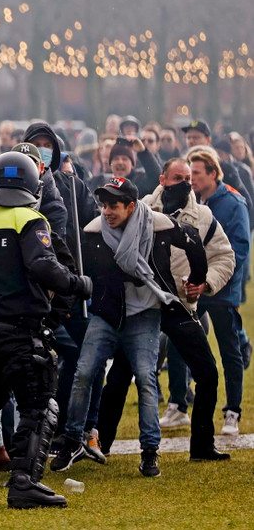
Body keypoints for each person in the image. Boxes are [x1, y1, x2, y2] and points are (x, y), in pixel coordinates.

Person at [0, 152, 92, 508]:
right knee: (39, 407)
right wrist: (78, 284)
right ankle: (24, 482)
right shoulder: (30, 219)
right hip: (21, 330)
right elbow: (43, 266)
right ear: (32, 187)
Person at [51, 177, 206, 478]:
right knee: (83, 373)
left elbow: (194, 240)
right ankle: (72, 442)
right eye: (104, 205)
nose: (106, 212)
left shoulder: (159, 226)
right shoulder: (93, 233)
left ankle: (149, 452)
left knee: (146, 380)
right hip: (106, 315)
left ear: (131, 207)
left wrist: (197, 279)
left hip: (145, 315)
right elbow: (75, 269)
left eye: (114, 205)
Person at [96, 158, 234, 460]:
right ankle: (101, 443)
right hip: (142, 305)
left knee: (207, 372)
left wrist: (205, 282)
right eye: (177, 178)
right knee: (120, 375)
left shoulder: (204, 216)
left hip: (178, 304)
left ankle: (202, 445)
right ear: (162, 179)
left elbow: (225, 257)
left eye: (188, 178)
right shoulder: (138, 208)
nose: (184, 184)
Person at [183, 146, 249, 435]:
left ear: (213, 173)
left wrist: (211, 278)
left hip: (223, 291)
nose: (192, 179)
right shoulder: (191, 200)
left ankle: (232, 411)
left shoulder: (234, 203)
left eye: (197, 173)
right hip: (193, 287)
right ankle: (179, 402)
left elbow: (239, 249)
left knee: (229, 350)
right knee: (182, 341)